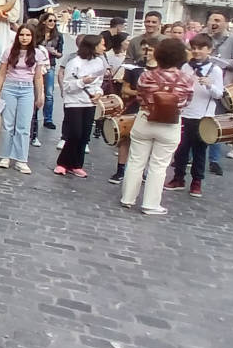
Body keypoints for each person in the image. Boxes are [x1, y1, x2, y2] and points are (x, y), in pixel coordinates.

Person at [118, 38, 195, 215]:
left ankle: (127, 198)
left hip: (145, 119)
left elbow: (140, 96)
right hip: (170, 123)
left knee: (136, 160)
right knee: (159, 165)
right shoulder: (187, 79)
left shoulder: (146, 76)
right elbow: (186, 102)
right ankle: (150, 204)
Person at [165, 33, 223, 196]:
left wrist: (209, 85)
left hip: (203, 116)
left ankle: (197, 182)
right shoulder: (186, 66)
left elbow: (219, 94)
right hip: (185, 113)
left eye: (200, 48)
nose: (196, 51)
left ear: (209, 50)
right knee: (181, 149)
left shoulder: (215, 70)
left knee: (199, 151)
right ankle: (178, 178)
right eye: (194, 48)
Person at [0, 25, 46, 174]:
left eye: (28, 35)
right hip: (10, 87)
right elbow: (2, 73)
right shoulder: (9, 51)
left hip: (27, 89)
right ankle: (4, 156)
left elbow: (38, 77)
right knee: (7, 124)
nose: (24, 38)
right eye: (22, 34)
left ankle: (21, 159)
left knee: (23, 125)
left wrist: (40, 95)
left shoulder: (38, 53)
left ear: (32, 37)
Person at [107, 35, 160, 183]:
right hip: (134, 107)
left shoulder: (163, 70)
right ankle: (120, 170)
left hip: (152, 111)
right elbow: (125, 90)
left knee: (148, 141)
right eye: (144, 49)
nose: (146, 53)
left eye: (150, 50)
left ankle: (141, 171)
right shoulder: (134, 68)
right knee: (126, 139)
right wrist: (142, 93)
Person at [55, 35, 105, 177]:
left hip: (90, 102)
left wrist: (98, 93)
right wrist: (82, 82)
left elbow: (99, 83)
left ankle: (76, 164)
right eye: (102, 44)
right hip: (74, 102)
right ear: (93, 46)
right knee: (74, 133)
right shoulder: (74, 62)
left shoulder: (99, 62)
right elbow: (67, 86)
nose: (104, 47)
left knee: (84, 135)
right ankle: (63, 163)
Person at [205, 10, 233, 170]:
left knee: (217, 122)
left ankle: (214, 160)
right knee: (195, 120)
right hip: (201, 84)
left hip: (222, 85)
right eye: (211, 20)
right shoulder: (203, 36)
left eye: (217, 20)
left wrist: (215, 61)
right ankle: (190, 157)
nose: (213, 23)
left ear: (226, 23)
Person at [30, 11, 64, 146]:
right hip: (36, 64)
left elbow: (60, 53)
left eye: (55, 21)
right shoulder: (36, 33)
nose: (53, 23)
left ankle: (48, 119)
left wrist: (55, 53)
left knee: (49, 93)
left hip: (50, 64)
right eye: (50, 20)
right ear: (43, 21)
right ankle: (33, 116)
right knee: (36, 91)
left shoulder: (58, 36)